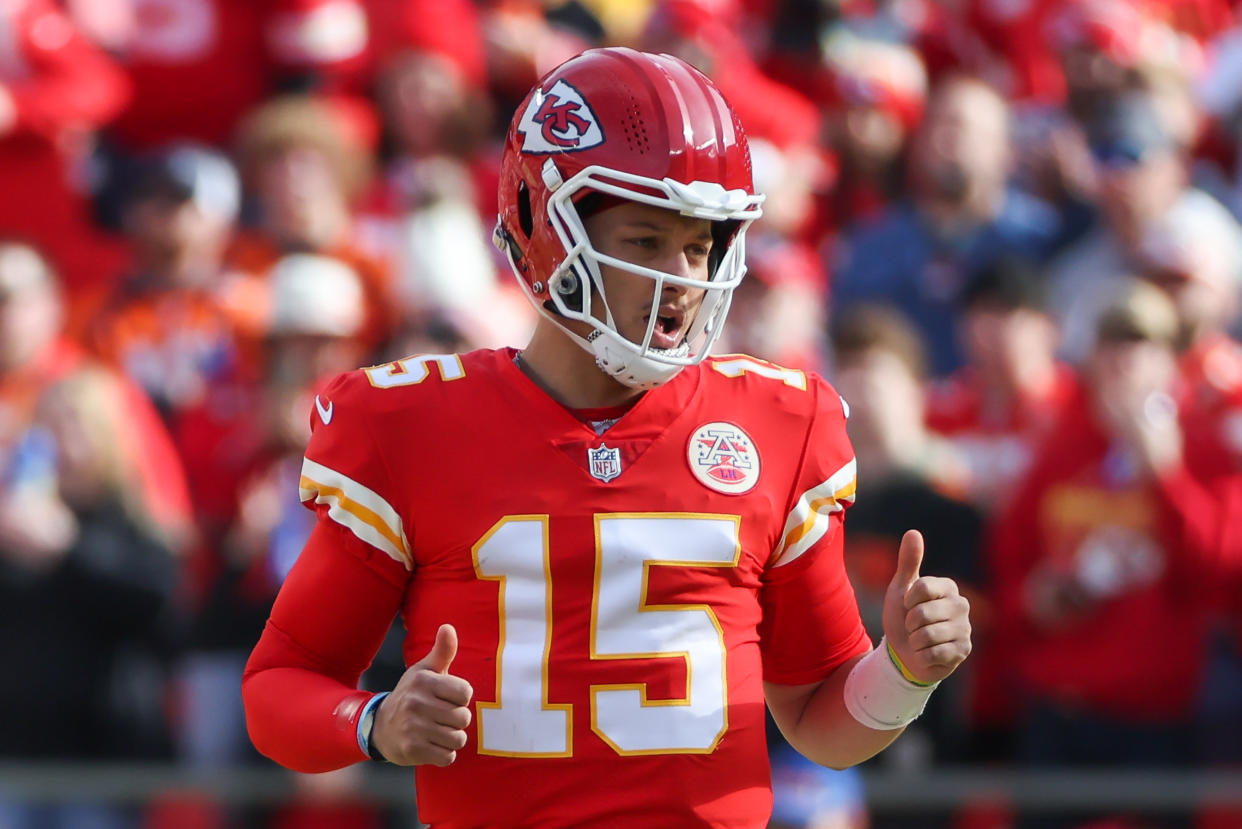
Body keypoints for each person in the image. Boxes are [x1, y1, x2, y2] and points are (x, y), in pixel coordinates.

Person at [242, 47, 972, 827]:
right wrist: (376, 723)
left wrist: (901, 671)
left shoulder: (777, 422)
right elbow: (280, 686)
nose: (684, 280)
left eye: (700, 245)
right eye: (645, 240)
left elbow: (820, 719)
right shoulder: (412, 427)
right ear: (541, 223)